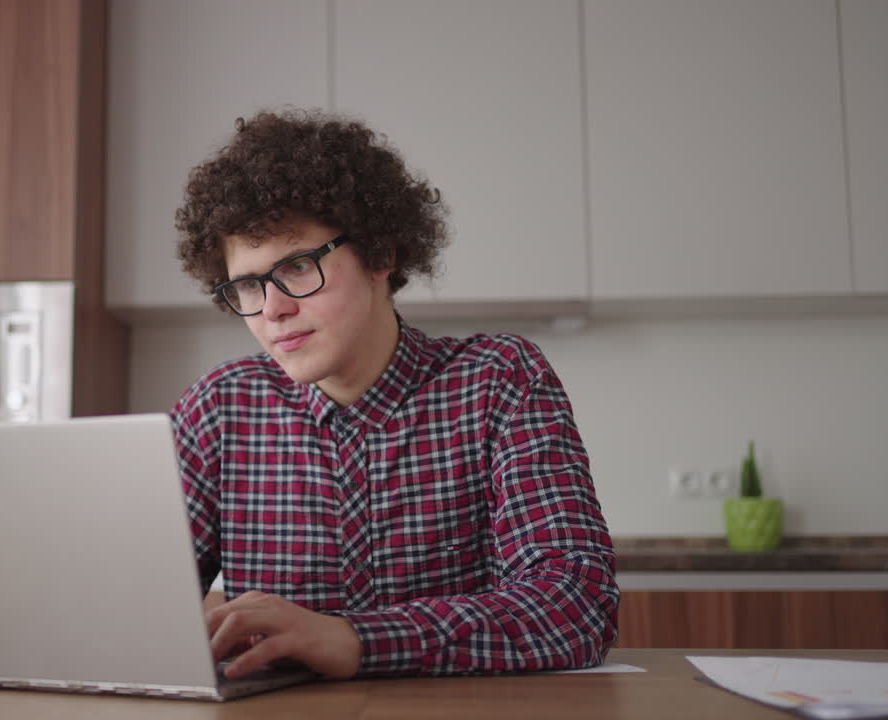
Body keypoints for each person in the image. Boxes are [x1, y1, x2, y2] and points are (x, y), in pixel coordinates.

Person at [170, 108, 618, 681]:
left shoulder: (499, 381)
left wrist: (353, 639)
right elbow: (133, 605)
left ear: (380, 255)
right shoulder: (220, 409)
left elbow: (577, 604)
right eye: (249, 285)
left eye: (299, 267)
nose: (273, 309)